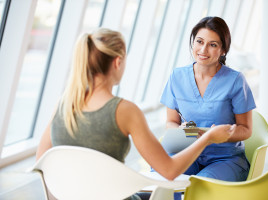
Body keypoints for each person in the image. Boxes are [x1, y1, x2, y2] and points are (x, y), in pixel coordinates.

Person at [36, 28, 236, 200]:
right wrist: (208, 137)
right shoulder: (124, 111)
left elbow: (44, 163)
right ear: (117, 62)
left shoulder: (62, 104)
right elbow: (169, 170)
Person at [160, 16, 256, 183]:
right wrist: (186, 131)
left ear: (223, 50)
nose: (203, 50)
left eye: (213, 45)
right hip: (188, 151)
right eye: (199, 41)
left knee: (202, 184)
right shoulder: (177, 76)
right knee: (163, 175)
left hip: (225, 159)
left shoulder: (235, 80)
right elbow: (170, 123)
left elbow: (246, 129)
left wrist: (219, 135)